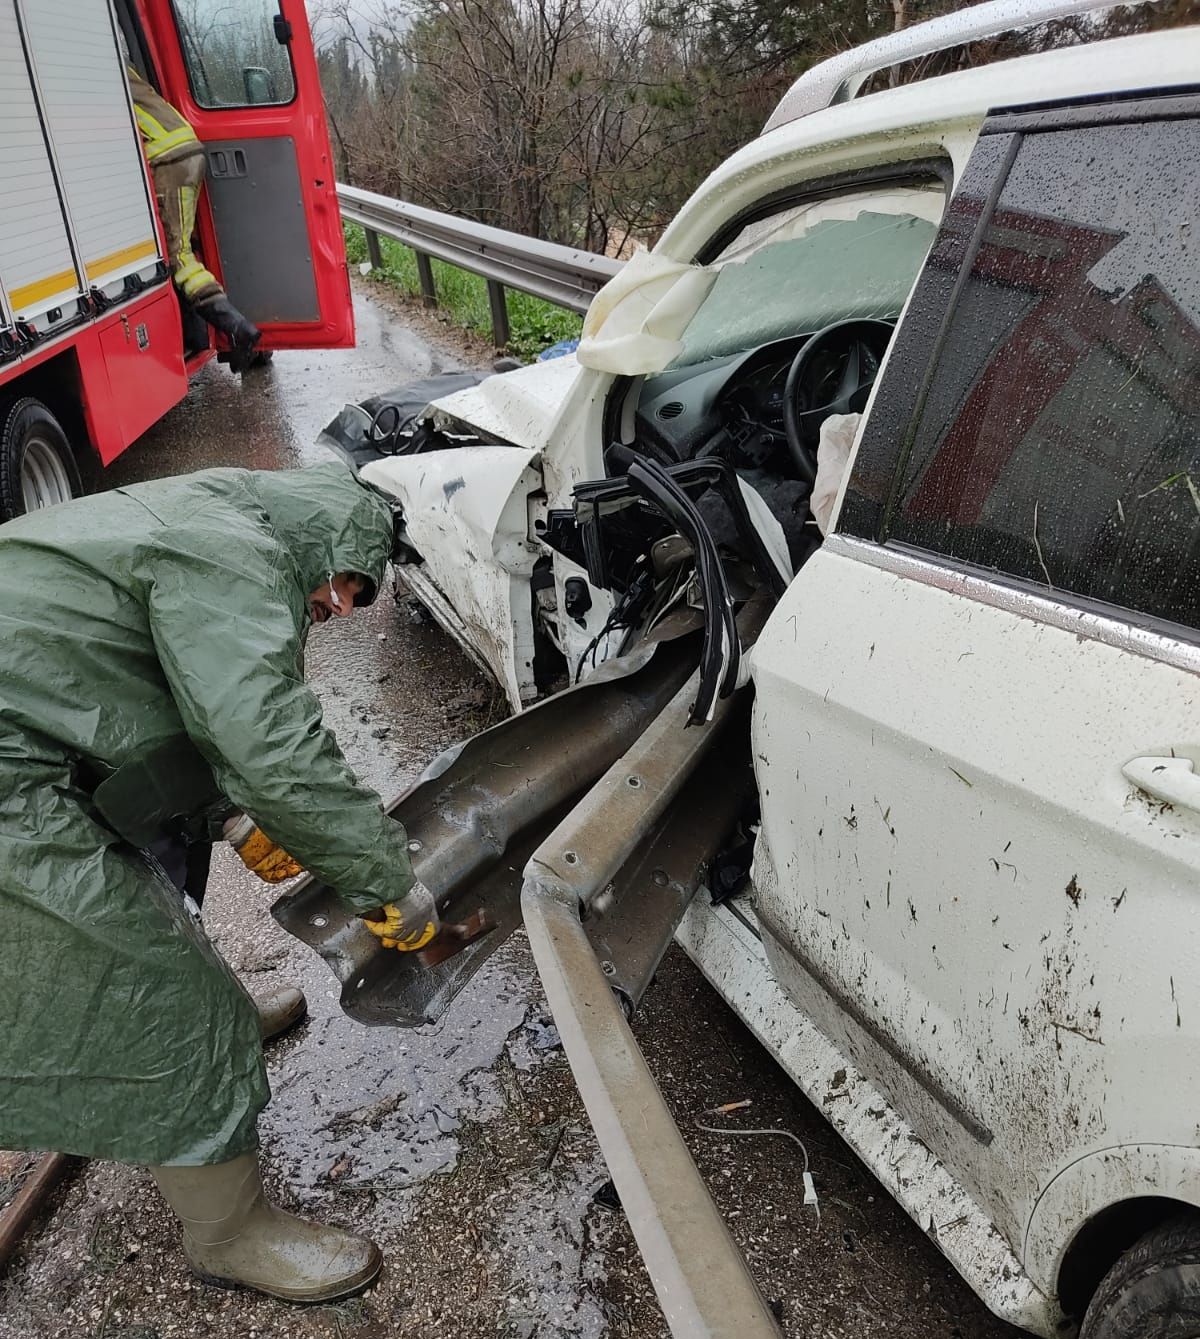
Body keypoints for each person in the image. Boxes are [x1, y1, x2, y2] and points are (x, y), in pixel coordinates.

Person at [0, 461, 438, 1302]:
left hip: (27, 739)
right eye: (350, 582)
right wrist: (386, 880)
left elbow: (146, 690)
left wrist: (229, 816)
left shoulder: (210, 519)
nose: (342, 607)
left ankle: (209, 1038)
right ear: (323, 538)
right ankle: (228, 1234)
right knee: (156, 993)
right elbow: (268, 742)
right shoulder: (238, 555)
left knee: (153, 924)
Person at [126, 65, 262, 372]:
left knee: (178, 257)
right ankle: (204, 335)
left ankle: (236, 328)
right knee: (185, 242)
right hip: (184, 145)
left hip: (165, 159)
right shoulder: (113, 58)